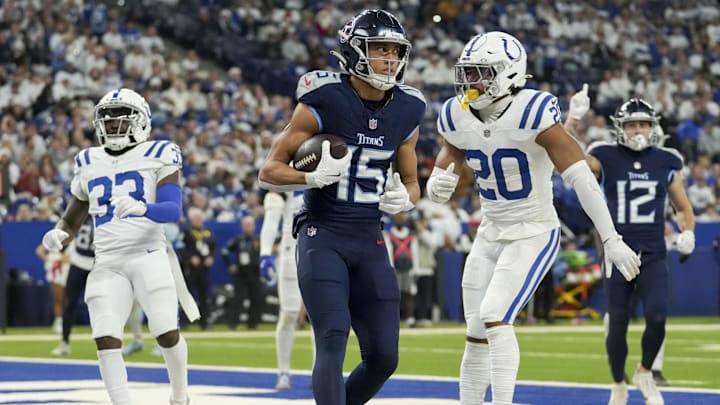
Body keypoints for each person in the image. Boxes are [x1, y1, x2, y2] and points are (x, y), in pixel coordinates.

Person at [425, 31, 641, 405]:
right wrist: (435, 186)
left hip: (533, 229)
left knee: (495, 315)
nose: (471, 81)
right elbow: (446, 164)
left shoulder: (534, 111)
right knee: (475, 330)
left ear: (509, 74)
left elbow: (581, 179)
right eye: (469, 72)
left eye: (482, 72)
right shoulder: (456, 114)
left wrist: (611, 239)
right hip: (490, 231)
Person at [257, 9, 425, 405]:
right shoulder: (323, 99)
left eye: (394, 51)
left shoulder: (409, 108)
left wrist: (408, 198)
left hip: (370, 237)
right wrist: (308, 178)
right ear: (353, 51)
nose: (389, 60)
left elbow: (413, 182)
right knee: (332, 337)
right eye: (379, 49)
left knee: (384, 357)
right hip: (322, 232)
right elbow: (269, 171)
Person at [40, 88, 190, 405]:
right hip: (106, 260)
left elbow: (174, 209)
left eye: (119, 122)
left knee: (164, 329)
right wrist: (58, 234)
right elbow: (71, 220)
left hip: (148, 252)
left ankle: (180, 397)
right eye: (107, 122)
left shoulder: (160, 152)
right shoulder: (88, 160)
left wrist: (143, 208)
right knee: (105, 336)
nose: (111, 128)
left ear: (140, 123)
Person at [581, 97, 695, 405]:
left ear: (653, 127)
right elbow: (574, 165)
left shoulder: (666, 160)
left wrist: (688, 231)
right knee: (618, 319)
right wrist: (572, 125)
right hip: (618, 252)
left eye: (643, 124)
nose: (637, 130)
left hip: (653, 251)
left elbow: (682, 205)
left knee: (657, 315)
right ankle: (618, 382)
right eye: (631, 125)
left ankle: (645, 371)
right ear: (620, 128)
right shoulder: (603, 155)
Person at [259, 190, 315, 390]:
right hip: (291, 251)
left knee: (321, 316)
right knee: (290, 314)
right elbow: (272, 216)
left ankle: (320, 372)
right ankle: (284, 372)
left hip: (321, 249)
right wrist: (265, 253)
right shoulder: (285, 170)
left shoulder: (330, 166)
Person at [51, 216, 94, 356]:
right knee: (69, 303)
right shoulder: (81, 211)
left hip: (98, 263)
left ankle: (111, 341)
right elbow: (67, 229)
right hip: (78, 262)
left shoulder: (105, 209)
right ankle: (64, 342)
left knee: (101, 303)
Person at [221, 215, 263, 329]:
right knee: (238, 298)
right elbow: (224, 251)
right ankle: (233, 323)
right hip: (241, 272)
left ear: (254, 227)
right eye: (246, 225)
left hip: (255, 271)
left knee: (256, 298)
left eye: (250, 225)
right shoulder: (238, 240)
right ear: (242, 227)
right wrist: (230, 265)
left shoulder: (259, 240)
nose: (248, 227)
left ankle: (252, 323)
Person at [181, 207, 216, 329]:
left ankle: (205, 322)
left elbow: (214, 247)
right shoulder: (186, 232)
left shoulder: (208, 232)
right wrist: (190, 257)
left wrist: (211, 257)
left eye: (199, 217)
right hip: (191, 269)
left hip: (204, 268)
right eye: (195, 218)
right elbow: (181, 247)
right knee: (188, 294)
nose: (198, 220)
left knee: (204, 296)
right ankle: (185, 322)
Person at [36, 239, 71, 334]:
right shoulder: (53, 237)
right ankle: (58, 321)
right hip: (57, 271)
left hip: (67, 270)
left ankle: (63, 321)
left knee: (66, 299)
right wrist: (51, 261)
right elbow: (39, 251)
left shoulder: (73, 240)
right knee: (58, 298)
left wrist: (67, 258)